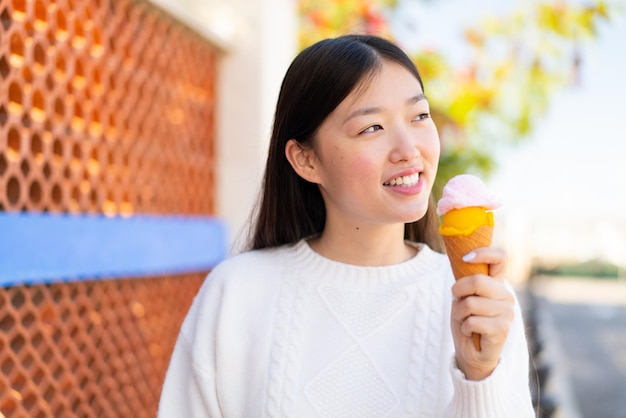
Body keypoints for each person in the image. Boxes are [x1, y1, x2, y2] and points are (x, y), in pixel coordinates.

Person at [158, 34, 535, 417]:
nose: (409, 149)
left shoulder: (479, 302)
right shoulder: (236, 294)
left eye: (419, 116)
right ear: (306, 160)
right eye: (371, 127)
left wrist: (480, 376)